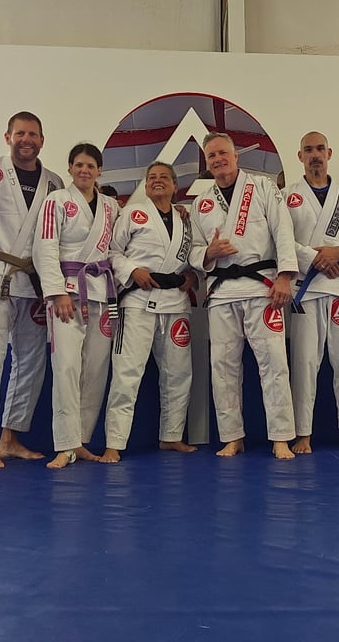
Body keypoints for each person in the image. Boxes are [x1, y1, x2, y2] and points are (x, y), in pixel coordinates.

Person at [0, 111, 64, 470]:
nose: (26, 140)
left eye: (33, 134)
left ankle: (10, 439)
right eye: (20, 133)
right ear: (8, 137)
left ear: (42, 140)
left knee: (32, 362)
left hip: (33, 281)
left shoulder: (54, 183)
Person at [189, 132, 298, 460]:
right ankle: (232, 437)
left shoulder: (263, 187)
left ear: (236, 155)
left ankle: (281, 437)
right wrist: (207, 253)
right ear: (207, 162)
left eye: (223, 153)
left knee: (274, 363)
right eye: (212, 156)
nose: (218, 159)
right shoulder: (201, 202)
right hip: (221, 291)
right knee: (222, 367)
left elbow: (283, 230)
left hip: (263, 288)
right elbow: (193, 249)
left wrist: (285, 276)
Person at [100, 162, 198, 463]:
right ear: (145, 185)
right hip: (138, 302)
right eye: (152, 177)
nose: (158, 181)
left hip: (175, 303)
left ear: (175, 185)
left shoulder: (186, 219)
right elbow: (112, 251)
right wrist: (132, 270)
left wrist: (192, 275)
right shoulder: (132, 213)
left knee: (179, 374)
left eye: (164, 177)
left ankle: (171, 436)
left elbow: (195, 255)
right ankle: (114, 443)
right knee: (127, 373)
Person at [284, 132, 339, 453]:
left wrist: (338, 253)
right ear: (300, 156)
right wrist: (315, 258)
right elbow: (282, 238)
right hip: (305, 288)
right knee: (305, 362)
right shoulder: (287, 195)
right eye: (308, 149)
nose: (315, 154)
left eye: (320, 149)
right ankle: (303, 433)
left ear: (329, 153)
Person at [32, 143, 120, 469]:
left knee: (96, 370)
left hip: (101, 292)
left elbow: (125, 240)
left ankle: (81, 441)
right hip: (68, 293)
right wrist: (57, 292)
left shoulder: (111, 207)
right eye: (79, 165)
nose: (84, 170)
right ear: (69, 168)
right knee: (67, 367)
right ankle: (65, 444)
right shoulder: (56, 201)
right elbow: (45, 247)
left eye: (90, 166)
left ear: (99, 171)